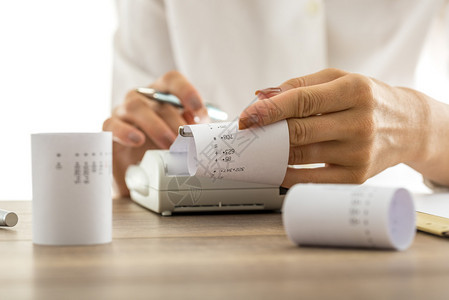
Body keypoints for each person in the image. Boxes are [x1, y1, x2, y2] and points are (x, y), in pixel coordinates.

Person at [103, 0, 449, 197]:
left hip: (390, 214)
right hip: (209, 229)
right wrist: (135, 155)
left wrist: (421, 126)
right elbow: (128, 159)